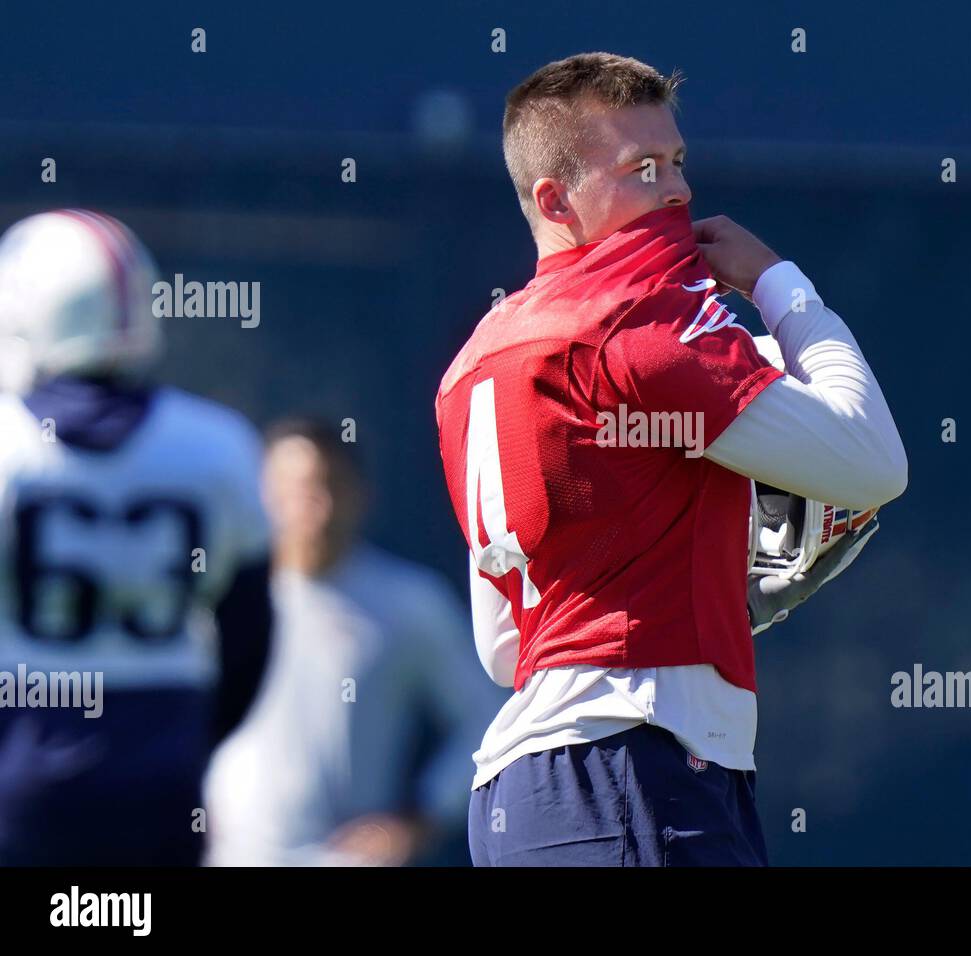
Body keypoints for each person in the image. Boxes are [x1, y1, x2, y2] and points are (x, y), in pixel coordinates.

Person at [436, 52, 909, 866]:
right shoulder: (640, 322)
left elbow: (509, 644)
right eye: (642, 169)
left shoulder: (473, 361)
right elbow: (873, 461)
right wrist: (780, 283)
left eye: (678, 161)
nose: (678, 192)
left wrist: (693, 578)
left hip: (532, 792)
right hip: (637, 771)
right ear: (556, 200)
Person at [0, 209, 272, 865]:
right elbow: (250, 634)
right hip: (162, 762)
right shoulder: (217, 444)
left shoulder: (10, 445)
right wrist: (192, 737)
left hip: (25, 761)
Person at [203, 420, 501, 866]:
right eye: (295, 488)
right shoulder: (213, 599)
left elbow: (486, 717)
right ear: (259, 493)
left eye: (331, 486)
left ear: (360, 495)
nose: (314, 506)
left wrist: (421, 818)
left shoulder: (411, 603)